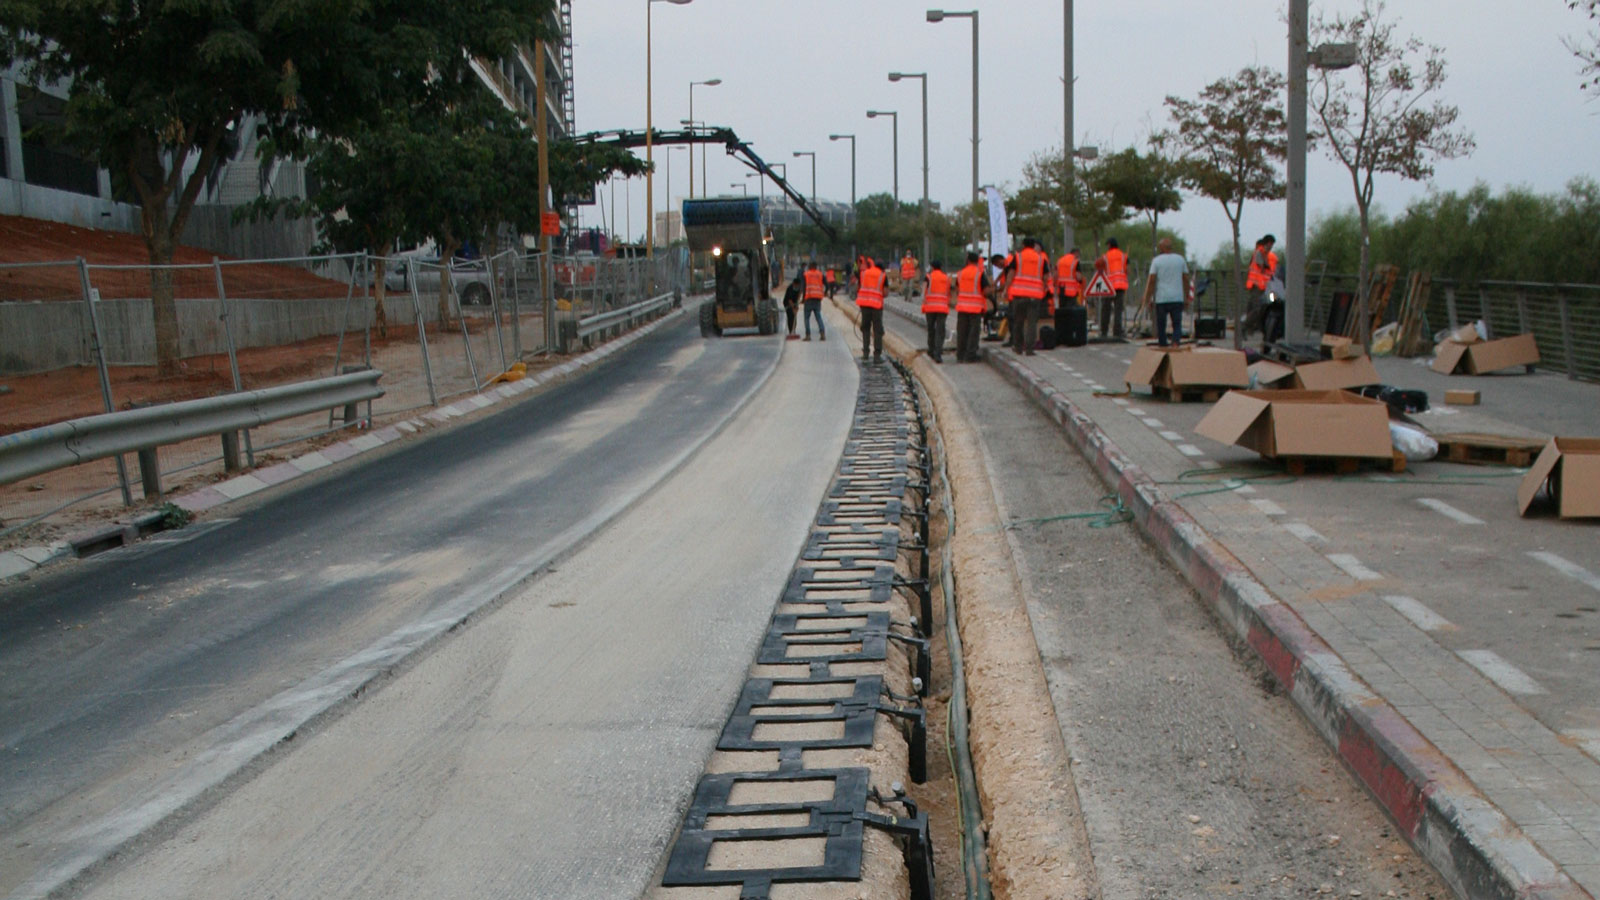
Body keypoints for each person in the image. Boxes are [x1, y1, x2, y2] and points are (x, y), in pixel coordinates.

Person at [1140, 237, 1192, 347]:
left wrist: (1148, 297)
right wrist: (1187, 296)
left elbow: (1152, 281)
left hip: (1162, 298)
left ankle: (1163, 344)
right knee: (1177, 324)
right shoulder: (1180, 260)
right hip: (1177, 298)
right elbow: (1186, 279)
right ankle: (1175, 342)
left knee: (1161, 324)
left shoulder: (1157, 261)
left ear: (1162, 248)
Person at [1001, 238, 1047, 355]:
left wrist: (1006, 289)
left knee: (1018, 322)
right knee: (1032, 322)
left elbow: (1010, 274)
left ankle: (1018, 347)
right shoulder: (1041, 259)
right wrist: (1045, 288)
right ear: (1034, 245)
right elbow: (1046, 276)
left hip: (1019, 295)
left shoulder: (1018, 257)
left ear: (1023, 245)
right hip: (1035, 295)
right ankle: (1030, 349)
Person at [954, 252, 991, 363]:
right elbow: (986, 291)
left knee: (962, 332)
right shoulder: (979, 274)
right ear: (977, 261)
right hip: (975, 309)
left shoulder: (960, 274)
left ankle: (960, 355)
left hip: (962, 307)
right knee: (973, 333)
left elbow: (957, 290)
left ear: (968, 260)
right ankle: (970, 356)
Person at [1242, 234, 1277, 337]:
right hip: (1257, 286)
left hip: (1264, 287)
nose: (1271, 247)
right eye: (1270, 245)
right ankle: (1245, 326)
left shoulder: (1265, 254)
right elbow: (1262, 268)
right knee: (1257, 308)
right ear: (1266, 243)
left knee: (1262, 306)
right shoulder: (1260, 253)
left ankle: (1252, 327)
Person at [921, 260, 953, 362]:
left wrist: (924, 303)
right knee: (940, 331)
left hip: (930, 308)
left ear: (932, 267)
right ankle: (938, 353)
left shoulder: (928, 277)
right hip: (942, 308)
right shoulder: (946, 278)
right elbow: (949, 292)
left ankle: (931, 350)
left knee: (931, 330)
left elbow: (923, 292)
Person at [856, 256, 886, 361]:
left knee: (865, 328)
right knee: (877, 330)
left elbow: (858, 288)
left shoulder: (864, 273)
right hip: (876, 306)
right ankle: (877, 355)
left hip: (864, 304)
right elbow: (885, 292)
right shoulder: (882, 275)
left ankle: (865, 353)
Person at [1098, 238, 1129, 338]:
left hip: (1108, 286)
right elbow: (1127, 270)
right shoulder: (1124, 256)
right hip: (1120, 286)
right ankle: (1117, 331)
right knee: (1118, 310)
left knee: (1105, 310)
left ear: (1110, 245)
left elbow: (1098, 265)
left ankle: (1104, 331)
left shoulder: (1106, 256)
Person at [1055, 245, 1083, 340]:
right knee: (1071, 314)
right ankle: (1070, 336)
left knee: (1062, 314)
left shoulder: (1060, 261)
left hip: (1061, 290)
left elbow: (1055, 276)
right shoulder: (1075, 262)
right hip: (1071, 292)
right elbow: (1078, 277)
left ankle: (1061, 335)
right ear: (1076, 253)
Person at [802, 262, 826, 341]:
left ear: (810, 266)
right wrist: (824, 293)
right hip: (817, 298)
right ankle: (822, 333)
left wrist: (803, 299)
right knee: (818, 316)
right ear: (816, 267)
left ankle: (808, 335)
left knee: (806, 318)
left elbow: (804, 287)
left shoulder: (806, 274)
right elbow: (827, 285)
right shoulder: (820, 274)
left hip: (809, 298)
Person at [783, 272, 802, 337]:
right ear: (794, 284)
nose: (797, 286)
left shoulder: (798, 288)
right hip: (787, 303)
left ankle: (794, 330)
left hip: (794, 302)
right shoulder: (790, 288)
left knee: (795, 317)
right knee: (790, 316)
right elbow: (789, 300)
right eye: (796, 285)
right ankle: (790, 331)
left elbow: (799, 295)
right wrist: (793, 307)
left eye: (798, 285)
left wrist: (796, 305)